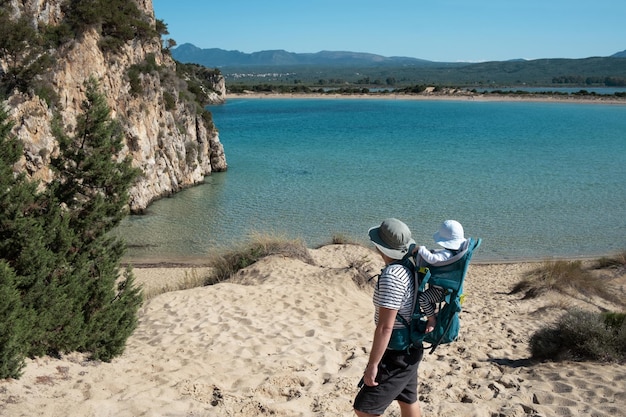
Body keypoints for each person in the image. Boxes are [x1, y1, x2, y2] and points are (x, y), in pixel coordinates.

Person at [354, 218, 423, 417]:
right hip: (412, 348)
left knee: (364, 408)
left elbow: (385, 327)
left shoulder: (393, 276)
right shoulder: (409, 266)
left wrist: (372, 365)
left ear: (379, 246)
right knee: (408, 401)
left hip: (397, 353)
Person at [415, 220, 468, 333]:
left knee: (423, 299)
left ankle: (431, 319)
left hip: (440, 292)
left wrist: (421, 249)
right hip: (449, 290)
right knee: (426, 298)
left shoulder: (444, 255)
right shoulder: (458, 254)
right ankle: (433, 312)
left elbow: (432, 259)